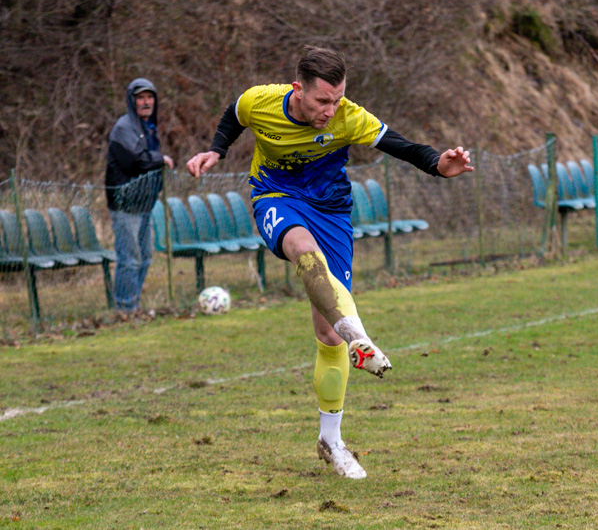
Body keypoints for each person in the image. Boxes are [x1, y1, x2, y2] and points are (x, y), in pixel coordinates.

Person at [186, 46, 473, 479]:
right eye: (323, 101)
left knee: (326, 333)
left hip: (333, 212)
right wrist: (217, 151)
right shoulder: (261, 101)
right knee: (302, 249)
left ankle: (330, 439)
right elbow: (234, 114)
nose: (330, 109)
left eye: (337, 99)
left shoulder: (347, 116)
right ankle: (360, 336)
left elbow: (400, 145)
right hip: (276, 197)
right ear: (297, 89)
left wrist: (437, 163)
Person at [105, 78, 175, 314]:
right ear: (131, 101)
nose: (146, 102)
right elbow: (136, 159)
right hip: (125, 206)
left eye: (150, 97)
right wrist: (161, 159)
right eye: (140, 98)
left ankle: (133, 306)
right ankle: (124, 309)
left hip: (143, 203)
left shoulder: (148, 128)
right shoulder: (124, 127)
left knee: (145, 257)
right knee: (129, 258)